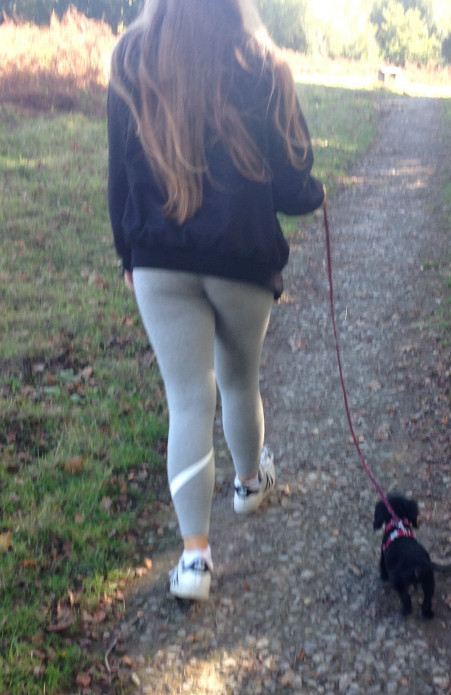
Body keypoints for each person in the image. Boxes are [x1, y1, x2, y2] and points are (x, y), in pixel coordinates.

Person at [107, 0, 325, 602]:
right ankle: (251, 483)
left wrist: (128, 253)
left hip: (158, 259)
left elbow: (118, 175)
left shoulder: (131, 55)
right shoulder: (263, 62)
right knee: (239, 380)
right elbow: (293, 184)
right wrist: (314, 190)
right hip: (242, 259)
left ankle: (195, 561)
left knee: (186, 401)